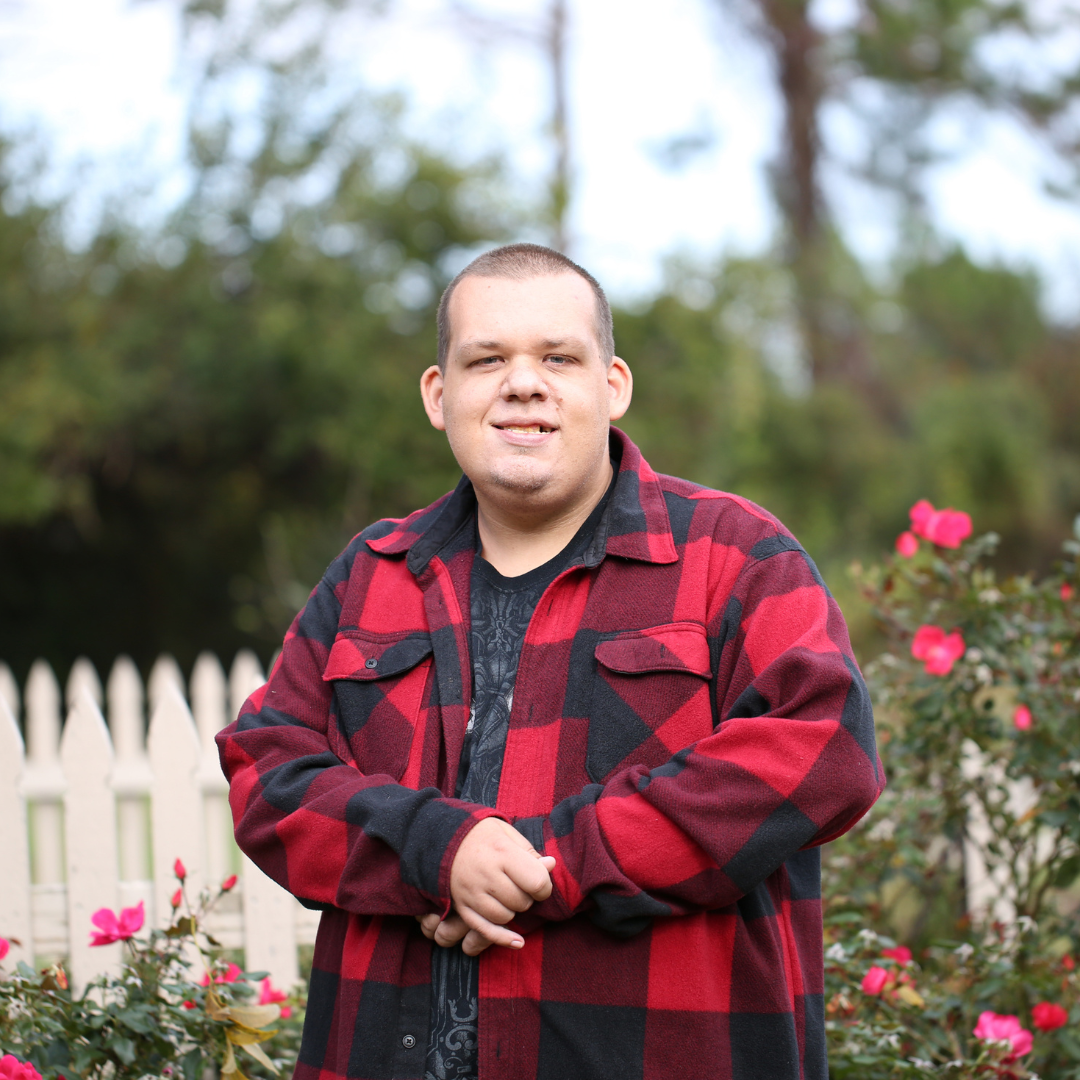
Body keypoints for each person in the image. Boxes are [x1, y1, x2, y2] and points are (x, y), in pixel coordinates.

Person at [216, 242, 884, 1080]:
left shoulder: (733, 554)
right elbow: (265, 767)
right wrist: (435, 850)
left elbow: (826, 749)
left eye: (558, 358)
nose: (523, 383)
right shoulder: (371, 574)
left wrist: (551, 861)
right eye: (487, 359)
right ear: (439, 395)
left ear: (613, 385)